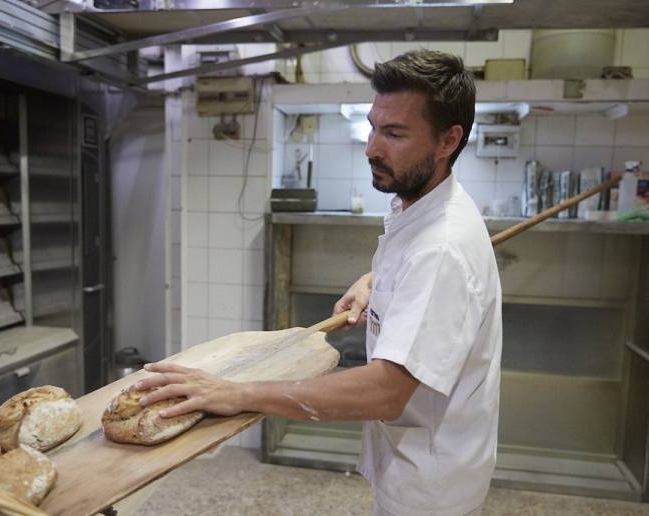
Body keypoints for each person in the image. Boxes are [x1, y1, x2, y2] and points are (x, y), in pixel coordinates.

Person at [134, 49, 502, 516]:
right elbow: (415, 266)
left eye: (394, 133)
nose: (372, 147)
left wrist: (238, 394)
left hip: (430, 488)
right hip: (421, 460)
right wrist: (376, 283)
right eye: (373, 126)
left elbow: (384, 390)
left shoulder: (442, 247)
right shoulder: (421, 204)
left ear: (448, 140)